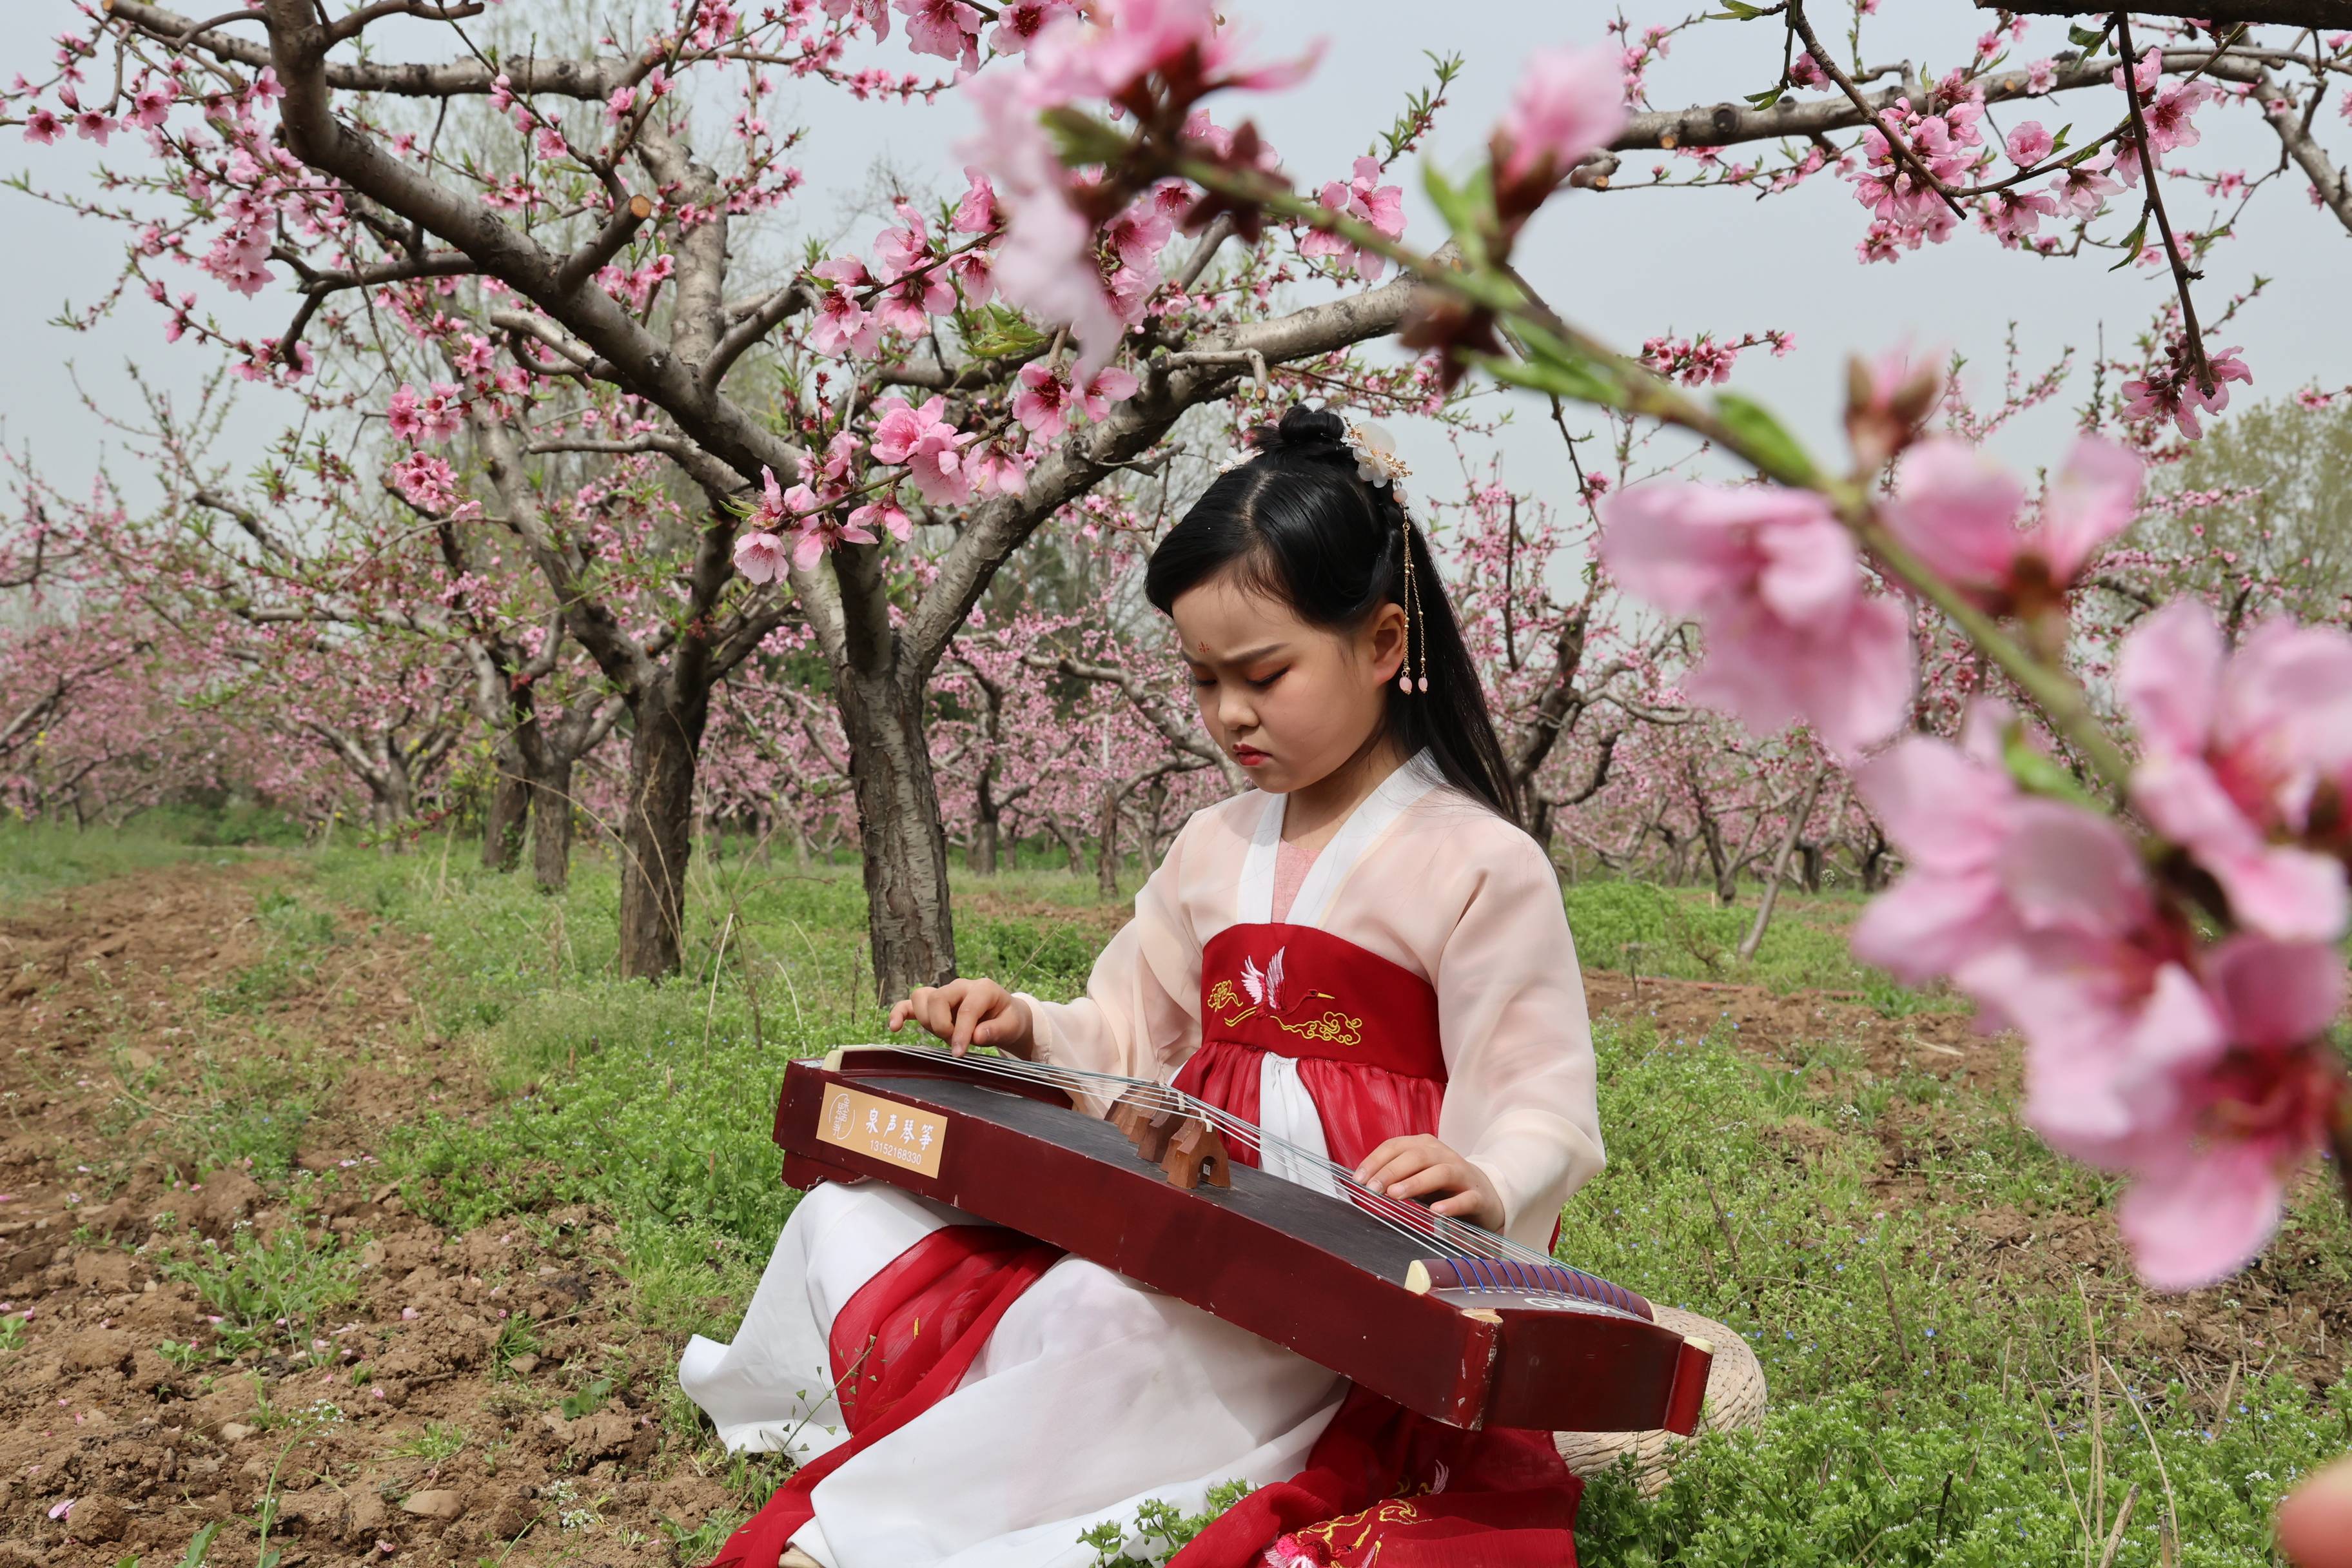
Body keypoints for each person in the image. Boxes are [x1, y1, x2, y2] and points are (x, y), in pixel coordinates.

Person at [680, 406, 1606, 1568]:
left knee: (1105, 1326)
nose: (1230, 714)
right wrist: (1027, 1025)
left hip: (1337, 1270)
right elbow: (1126, 1026)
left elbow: (1541, 1097)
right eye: (1204, 679)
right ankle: (941, 1460)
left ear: (1380, 644)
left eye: (1264, 674)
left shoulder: (1478, 862)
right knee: (852, 1218)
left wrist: (1484, 1172)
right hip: (1184, 1214)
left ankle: (902, 1525)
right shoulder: (1212, 847)